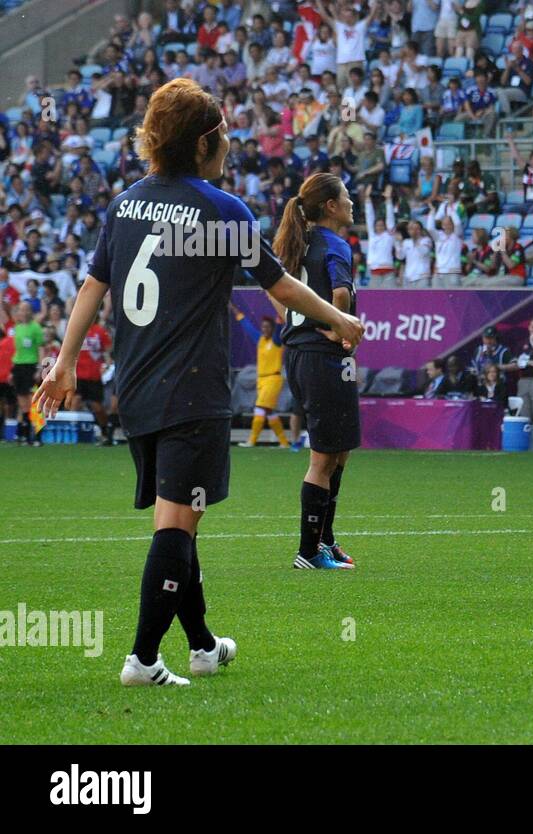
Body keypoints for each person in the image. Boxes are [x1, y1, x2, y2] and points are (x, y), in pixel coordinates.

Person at [35, 78, 363, 686]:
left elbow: (92, 287)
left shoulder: (125, 202)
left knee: (180, 515)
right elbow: (281, 288)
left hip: (136, 388)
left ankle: (205, 646)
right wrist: (341, 317)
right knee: (177, 525)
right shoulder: (220, 208)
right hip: (192, 389)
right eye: (226, 133)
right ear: (204, 141)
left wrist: (63, 364)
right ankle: (142, 659)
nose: (232, 143)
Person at [272, 172, 364, 571]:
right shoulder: (333, 244)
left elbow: (274, 289)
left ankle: (324, 540)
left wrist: (295, 324)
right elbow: (341, 293)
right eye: (346, 196)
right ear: (330, 205)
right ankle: (308, 552)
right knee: (325, 458)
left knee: (338, 451)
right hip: (322, 356)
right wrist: (335, 328)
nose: (352, 203)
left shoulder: (299, 242)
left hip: (300, 353)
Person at [233, 309, 290, 448]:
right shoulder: (260, 340)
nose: (264, 329)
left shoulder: (276, 342)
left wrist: (279, 316)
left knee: (259, 408)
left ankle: (251, 441)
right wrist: (234, 309)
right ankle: (284, 443)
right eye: (263, 326)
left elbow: (278, 328)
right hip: (261, 380)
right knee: (269, 411)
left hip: (273, 379)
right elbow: (247, 325)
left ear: (272, 328)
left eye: (267, 327)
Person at [9, 301, 43, 445]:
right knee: (22, 402)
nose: (24, 312)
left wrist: (40, 368)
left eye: (26, 310)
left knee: (33, 401)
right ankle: (25, 435)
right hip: (19, 366)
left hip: (31, 366)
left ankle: (37, 435)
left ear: (31, 312)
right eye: (21, 310)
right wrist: (12, 370)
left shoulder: (36, 328)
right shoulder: (17, 328)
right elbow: (17, 350)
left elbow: (41, 348)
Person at [362, 184, 396, 285]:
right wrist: (367, 199)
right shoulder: (372, 235)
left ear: (385, 226)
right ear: (374, 227)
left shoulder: (389, 235)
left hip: (388, 271)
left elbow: (390, 218)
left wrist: (389, 200)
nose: (380, 227)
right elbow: (369, 217)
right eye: (377, 225)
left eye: (382, 225)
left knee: (390, 299)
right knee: (373, 300)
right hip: (374, 271)